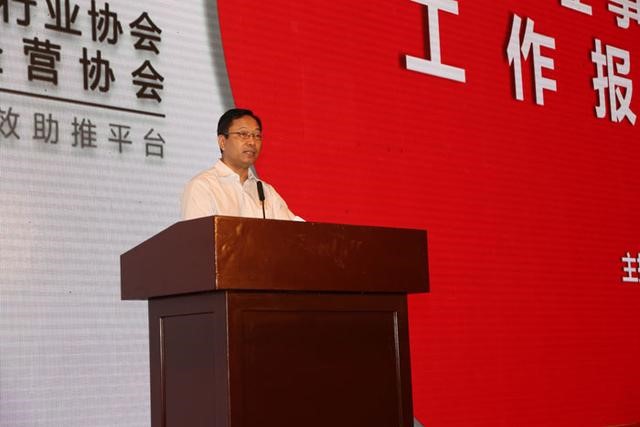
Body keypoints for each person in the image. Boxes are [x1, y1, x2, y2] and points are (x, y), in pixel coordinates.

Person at [181, 108, 301, 221]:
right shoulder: (203, 186)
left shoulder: (266, 192)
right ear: (222, 142)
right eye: (243, 134)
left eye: (257, 135)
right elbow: (197, 235)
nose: (252, 142)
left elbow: (295, 231)